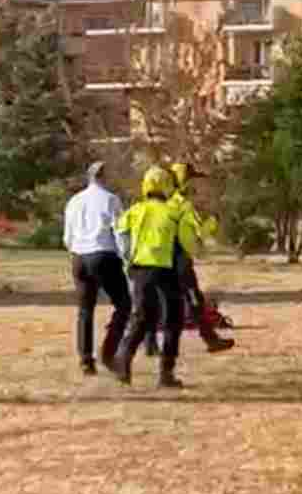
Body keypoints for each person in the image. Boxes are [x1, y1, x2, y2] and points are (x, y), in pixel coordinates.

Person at [110, 165, 199, 388]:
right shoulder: (174, 212)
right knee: (173, 319)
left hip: (140, 269)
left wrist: (128, 260)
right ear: (167, 186)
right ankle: (166, 374)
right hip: (166, 269)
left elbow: (120, 235)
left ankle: (123, 360)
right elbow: (188, 243)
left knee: (141, 317)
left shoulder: (134, 211)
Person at [155, 162, 233, 353]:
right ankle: (210, 340)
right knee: (194, 301)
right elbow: (195, 238)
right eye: (191, 181)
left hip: (158, 259)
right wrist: (212, 223)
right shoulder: (183, 205)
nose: (195, 187)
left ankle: (150, 345)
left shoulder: (162, 201)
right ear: (184, 182)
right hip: (179, 260)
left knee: (160, 302)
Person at [62, 161, 131, 375]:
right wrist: (126, 257)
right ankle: (108, 352)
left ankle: (85, 360)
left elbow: (67, 236)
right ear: (104, 177)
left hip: (79, 257)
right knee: (124, 305)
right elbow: (119, 232)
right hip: (103, 255)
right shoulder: (111, 200)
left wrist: (76, 251)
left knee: (85, 310)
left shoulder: (74, 201)